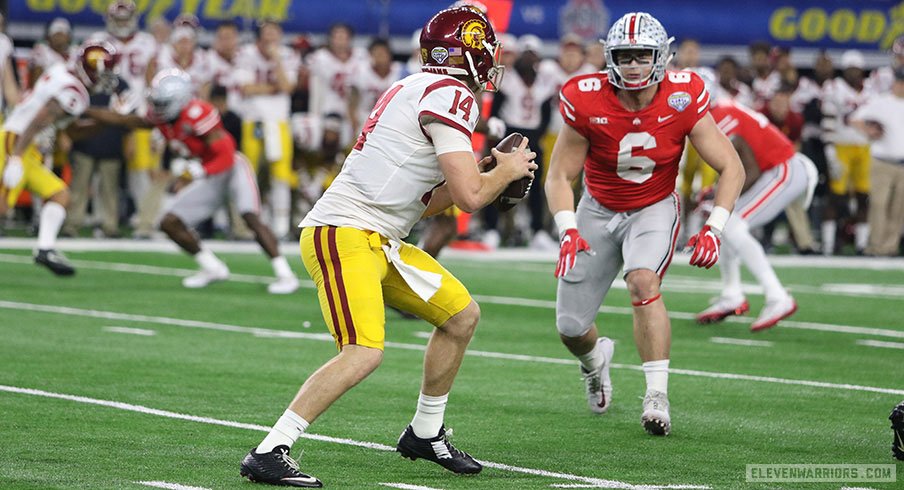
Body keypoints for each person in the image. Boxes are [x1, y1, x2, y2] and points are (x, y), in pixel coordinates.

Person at [239, 7, 536, 487]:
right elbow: (468, 199)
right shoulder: (453, 96)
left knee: (461, 316)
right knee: (363, 351)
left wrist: (484, 174)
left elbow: (425, 202)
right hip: (345, 233)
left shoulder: (413, 86)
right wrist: (504, 171)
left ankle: (425, 432)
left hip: (378, 236)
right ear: (473, 52)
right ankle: (270, 449)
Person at [545, 12, 744, 436]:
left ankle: (656, 395)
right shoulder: (585, 97)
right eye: (624, 56)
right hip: (597, 209)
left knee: (642, 282)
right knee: (570, 328)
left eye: (642, 55)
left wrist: (715, 227)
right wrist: (568, 229)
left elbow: (731, 167)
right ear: (610, 57)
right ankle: (595, 361)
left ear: (661, 57)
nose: (633, 64)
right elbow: (560, 175)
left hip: (653, 207)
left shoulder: (683, 96)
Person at [85, 70, 300, 293]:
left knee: (250, 216)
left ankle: (286, 274)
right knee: (170, 223)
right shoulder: (163, 118)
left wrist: (197, 171)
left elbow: (226, 155)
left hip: (232, 167)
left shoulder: (198, 113)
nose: (157, 108)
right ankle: (213, 268)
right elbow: (125, 120)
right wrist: (85, 109)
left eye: (162, 102)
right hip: (208, 173)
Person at [695, 77, 817, 331]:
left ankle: (777, 296)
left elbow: (747, 169)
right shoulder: (723, 109)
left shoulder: (719, 116)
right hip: (775, 169)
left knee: (731, 222)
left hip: (783, 169)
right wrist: (717, 192)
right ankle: (732, 294)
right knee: (725, 221)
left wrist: (719, 193)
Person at [1, 41, 120, 275]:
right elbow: (41, 119)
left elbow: (72, 129)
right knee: (2, 208)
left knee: (59, 194)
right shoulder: (73, 90)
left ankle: (45, 249)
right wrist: (15, 157)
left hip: (25, 144)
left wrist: (107, 120)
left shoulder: (61, 72)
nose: (104, 78)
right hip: (16, 142)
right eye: (102, 72)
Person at [236, 20, 301, 240]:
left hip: (279, 121)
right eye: (267, 32)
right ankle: (248, 224)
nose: (272, 36)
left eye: (275, 32)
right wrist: (273, 88)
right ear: (259, 36)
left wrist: (276, 59)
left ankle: (280, 225)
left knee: (281, 174)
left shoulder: (288, 55)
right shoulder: (246, 53)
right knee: (250, 173)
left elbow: (287, 86)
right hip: (253, 120)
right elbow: (246, 88)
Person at [821, 50, 873, 255]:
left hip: (864, 147)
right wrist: (830, 151)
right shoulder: (834, 88)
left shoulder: (871, 90)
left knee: (863, 197)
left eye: (856, 68)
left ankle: (861, 245)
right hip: (841, 146)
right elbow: (827, 121)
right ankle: (827, 245)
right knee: (835, 197)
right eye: (849, 68)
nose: (853, 73)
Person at [851, 68, 904, 256]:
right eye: (900, 82)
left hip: (903, 164)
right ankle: (875, 245)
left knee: (898, 208)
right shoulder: (881, 102)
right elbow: (855, 119)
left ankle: (890, 247)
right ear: (895, 83)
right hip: (882, 161)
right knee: (879, 204)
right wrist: (869, 131)